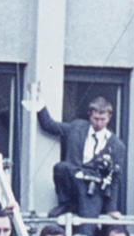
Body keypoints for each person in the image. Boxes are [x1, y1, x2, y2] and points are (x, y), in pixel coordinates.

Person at [28, 85, 125, 221]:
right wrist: (38, 99)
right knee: (61, 167)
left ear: (109, 118)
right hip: (72, 186)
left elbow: (114, 178)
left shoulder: (117, 145)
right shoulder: (76, 128)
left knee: (86, 229)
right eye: (95, 118)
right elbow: (49, 125)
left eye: (102, 119)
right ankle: (65, 204)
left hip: (92, 192)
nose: (98, 123)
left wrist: (111, 208)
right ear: (89, 116)